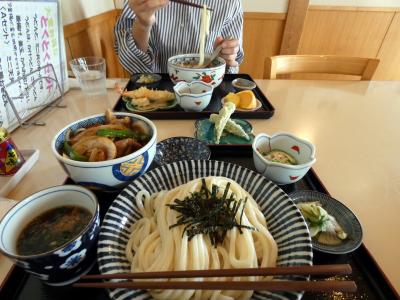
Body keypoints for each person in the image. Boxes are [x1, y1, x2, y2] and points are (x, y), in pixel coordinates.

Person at [114, 0, 244, 74]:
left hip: (208, 91)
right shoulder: (141, 1)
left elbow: (234, 60)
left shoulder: (230, 2)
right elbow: (132, 63)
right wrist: (143, 24)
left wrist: (224, 57)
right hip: (154, 91)